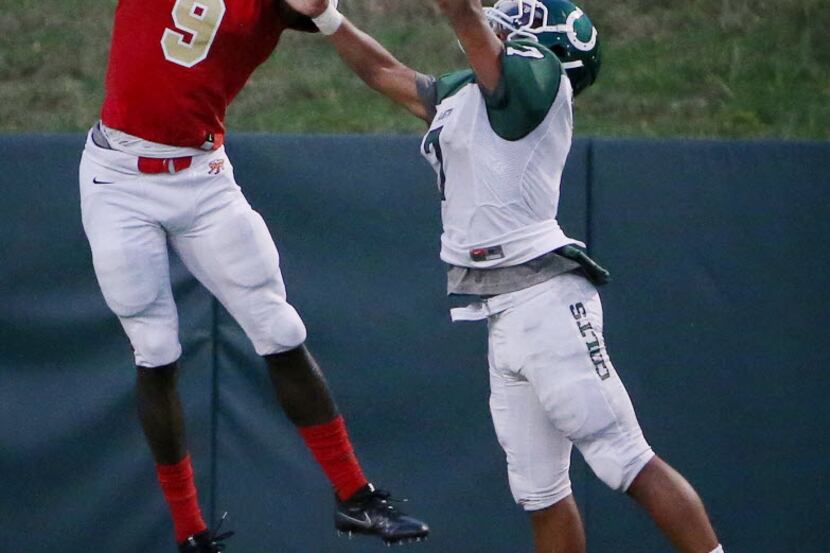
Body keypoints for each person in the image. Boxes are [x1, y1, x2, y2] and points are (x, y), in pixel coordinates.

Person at [280, 0, 726, 551]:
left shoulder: (534, 92)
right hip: (503, 311)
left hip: (547, 304)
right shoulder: (476, 94)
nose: (507, 18)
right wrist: (327, 18)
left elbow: (465, 18)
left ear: (549, 50)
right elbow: (383, 72)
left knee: (627, 459)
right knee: (540, 493)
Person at [78, 1, 428, 551]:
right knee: (155, 349)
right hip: (118, 179)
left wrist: (323, 12)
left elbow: (325, 18)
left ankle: (354, 498)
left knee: (280, 329)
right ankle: (189, 531)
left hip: (203, 176)